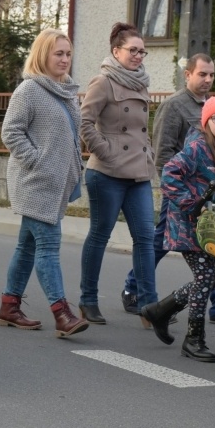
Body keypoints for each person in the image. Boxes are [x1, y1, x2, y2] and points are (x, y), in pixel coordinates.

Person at [120, 54, 215, 326]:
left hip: (209, 195)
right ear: (188, 75)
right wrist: (177, 195)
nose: (208, 79)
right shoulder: (174, 105)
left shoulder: (211, 105)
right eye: (202, 74)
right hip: (182, 194)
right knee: (160, 242)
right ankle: (133, 287)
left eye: (211, 75)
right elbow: (163, 152)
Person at [0, 28, 89, 338]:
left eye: (68, 54)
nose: (65, 59)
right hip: (35, 182)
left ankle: (9, 306)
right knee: (48, 246)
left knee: (26, 247)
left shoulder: (65, 91)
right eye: (58, 53)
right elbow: (11, 132)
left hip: (55, 183)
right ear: (42, 55)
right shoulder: (29, 90)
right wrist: (38, 161)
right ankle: (62, 314)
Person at [142, 96, 215, 362]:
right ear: (206, 122)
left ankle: (160, 311)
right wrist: (193, 204)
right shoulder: (198, 147)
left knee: (209, 280)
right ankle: (193, 339)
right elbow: (169, 173)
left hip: (208, 228)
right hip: (189, 226)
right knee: (205, 279)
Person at [78, 22, 156, 326]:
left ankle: (149, 306)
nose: (138, 56)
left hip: (138, 174)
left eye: (142, 51)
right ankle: (88, 300)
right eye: (132, 50)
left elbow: (140, 130)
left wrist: (148, 153)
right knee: (100, 235)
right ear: (116, 51)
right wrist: (106, 152)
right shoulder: (103, 82)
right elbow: (84, 123)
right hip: (107, 174)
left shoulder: (141, 83)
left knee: (146, 238)